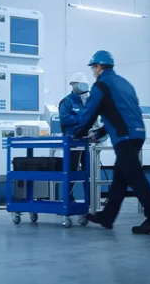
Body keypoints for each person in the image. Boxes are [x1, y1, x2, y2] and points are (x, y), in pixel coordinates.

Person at [72, 50, 150, 234]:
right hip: (137, 134)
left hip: (125, 137)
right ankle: (107, 217)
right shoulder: (124, 84)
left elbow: (89, 113)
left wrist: (77, 134)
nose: (93, 72)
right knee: (120, 178)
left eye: (93, 68)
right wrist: (97, 135)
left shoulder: (102, 85)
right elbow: (119, 113)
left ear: (99, 67)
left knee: (135, 178)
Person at [58, 72, 90, 202]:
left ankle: (89, 197)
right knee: (72, 169)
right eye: (78, 84)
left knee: (88, 170)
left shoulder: (85, 102)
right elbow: (64, 119)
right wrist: (82, 118)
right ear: (73, 84)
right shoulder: (67, 101)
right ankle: (68, 198)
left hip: (85, 141)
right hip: (72, 141)